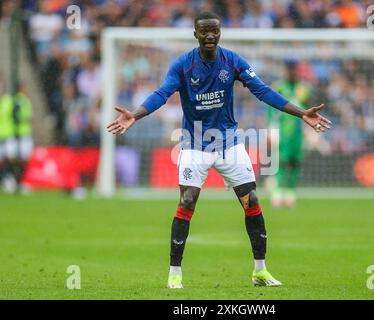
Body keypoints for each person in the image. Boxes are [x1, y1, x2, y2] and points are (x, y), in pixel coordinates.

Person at [107, 12, 331, 289]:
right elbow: (162, 93)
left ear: (220, 33)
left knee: (251, 201)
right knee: (187, 200)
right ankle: (174, 272)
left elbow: (262, 91)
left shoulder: (233, 61)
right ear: (196, 34)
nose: (210, 35)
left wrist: (300, 114)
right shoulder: (183, 65)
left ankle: (260, 271)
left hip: (229, 145)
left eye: (214, 31)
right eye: (205, 32)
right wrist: (135, 115)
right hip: (194, 145)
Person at [268, 60, 312, 208]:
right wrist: (271, 128)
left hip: (298, 133)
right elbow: (270, 111)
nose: (291, 73)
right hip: (282, 132)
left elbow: (309, 109)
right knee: (281, 161)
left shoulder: (304, 89)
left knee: (295, 162)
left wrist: (311, 130)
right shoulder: (278, 88)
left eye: (294, 70)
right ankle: (278, 191)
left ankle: (291, 192)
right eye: (289, 70)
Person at [0, 76, 16, 192]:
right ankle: (5, 178)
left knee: (10, 156)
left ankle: (9, 177)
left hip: (9, 133)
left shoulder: (9, 100)